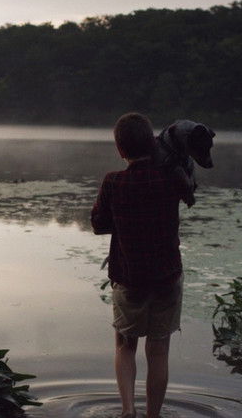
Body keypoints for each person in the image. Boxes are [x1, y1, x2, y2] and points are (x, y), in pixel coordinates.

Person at [91, 112, 188, 418]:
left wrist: (123, 220)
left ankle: (128, 410)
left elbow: (98, 224)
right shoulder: (170, 179)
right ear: (152, 143)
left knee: (124, 346)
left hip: (128, 279)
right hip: (167, 277)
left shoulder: (113, 182)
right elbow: (189, 190)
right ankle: (153, 415)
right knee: (158, 351)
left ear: (120, 149)